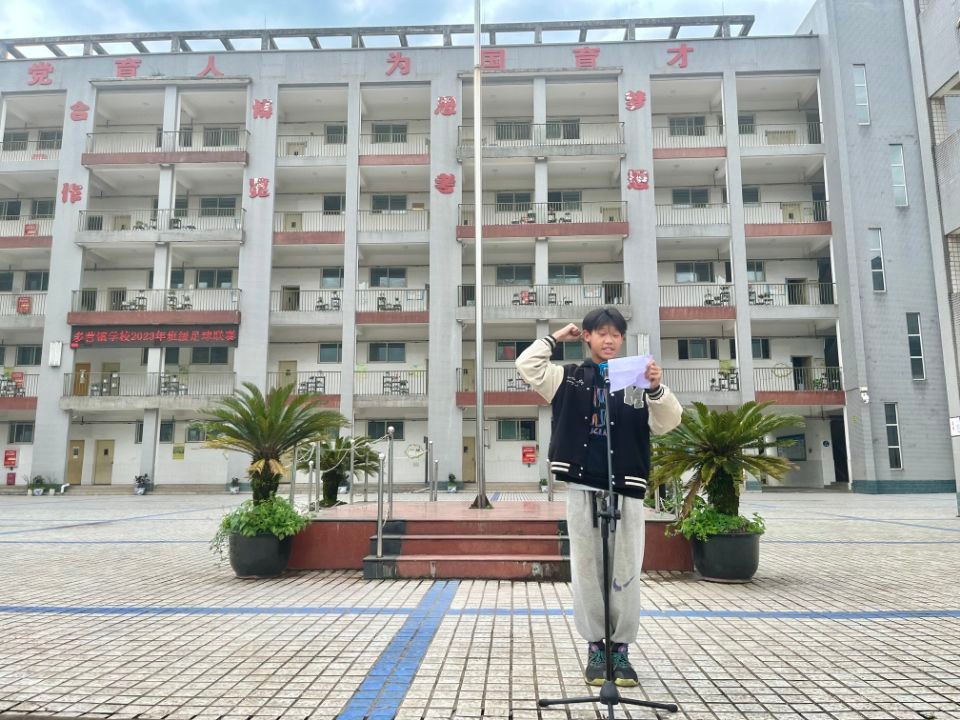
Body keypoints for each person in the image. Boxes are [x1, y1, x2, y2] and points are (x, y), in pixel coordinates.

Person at [516, 307, 682, 687]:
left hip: (626, 487)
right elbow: (528, 365)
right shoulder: (568, 377)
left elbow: (667, 422)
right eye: (600, 333)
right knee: (588, 570)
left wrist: (656, 387)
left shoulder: (636, 378)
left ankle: (620, 649)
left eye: (615, 334)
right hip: (582, 484)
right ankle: (595, 647)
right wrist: (558, 336)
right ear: (587, 337)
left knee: (625, 570)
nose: (609, 340)